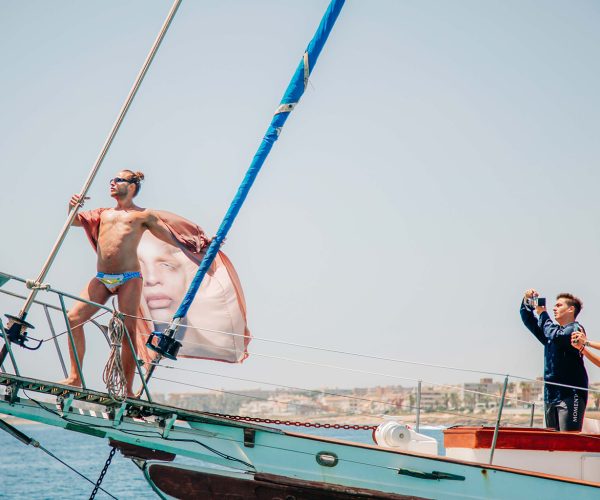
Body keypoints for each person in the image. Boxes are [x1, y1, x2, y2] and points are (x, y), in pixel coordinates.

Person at [60, 170, 183, 397]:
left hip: (129, 278)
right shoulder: (103, 213)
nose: (112, 183)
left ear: (133, 186)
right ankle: (75, 377)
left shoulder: (142, 215)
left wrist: (199, 245)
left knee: (128, 330)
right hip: (103, 278)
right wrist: (72, 206)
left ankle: (127, 389)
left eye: (118, 180)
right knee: (73, 317)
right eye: (111, 180)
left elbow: (172, 237)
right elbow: (74, 222)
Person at [520, 289, 588, 431]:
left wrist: (542, 313)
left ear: (571, 309)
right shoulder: (551, 333)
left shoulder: (575, 329)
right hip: (550, 395)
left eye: (558, 305)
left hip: (571, 395)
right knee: (553, 440)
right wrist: (527, 301)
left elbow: (557, 335)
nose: (553, 308)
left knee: (569, 440)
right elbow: (529, 321)